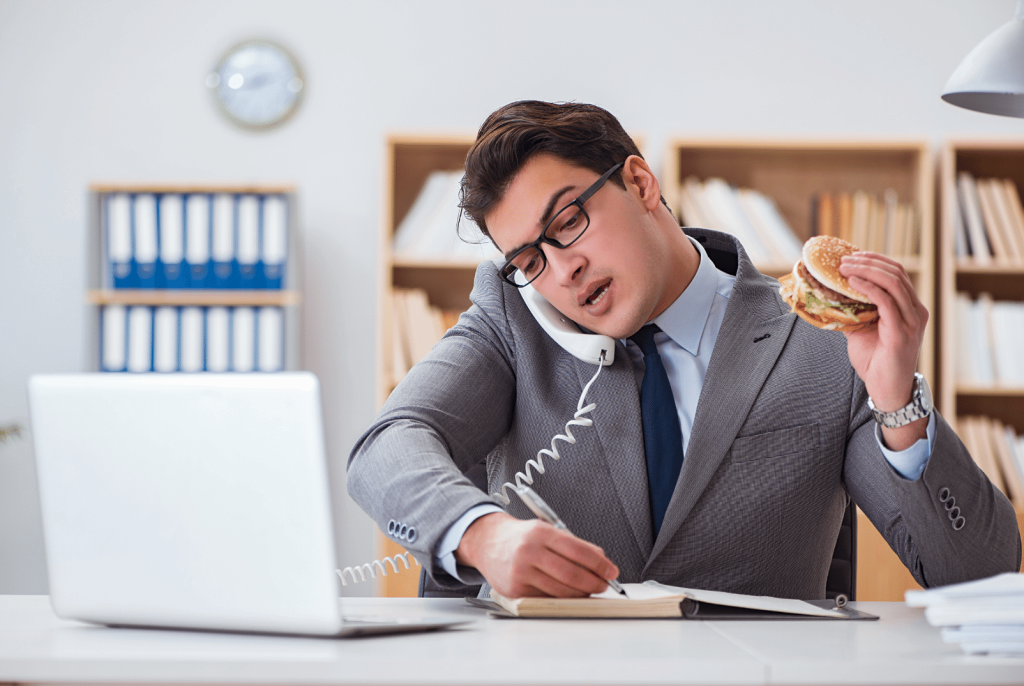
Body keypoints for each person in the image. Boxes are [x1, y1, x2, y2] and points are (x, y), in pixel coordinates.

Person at [348, 100, 1021, 600]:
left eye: (567, 222)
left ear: (640, 184)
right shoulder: (513, 320)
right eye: (529, 258)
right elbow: (387, 445)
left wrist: (898, 406)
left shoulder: (822, 344)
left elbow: (981, 577)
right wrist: (479, 532)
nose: (562, 271)